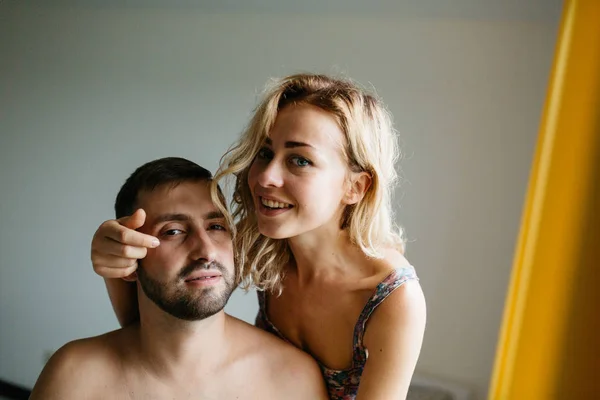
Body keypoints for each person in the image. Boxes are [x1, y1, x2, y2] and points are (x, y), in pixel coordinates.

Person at [91, 74, 427, 399]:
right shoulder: (265, 246)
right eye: (265, 153)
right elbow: (156, 326)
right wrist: (113, 258)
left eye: (299, 160)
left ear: (355, 186)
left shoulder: (392, 299)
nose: (266, 176)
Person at [31, 158, 328, 400]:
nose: (206, 250)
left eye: (216, 226)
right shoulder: (73, 377)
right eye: (173, 231)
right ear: (129, 254)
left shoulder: (292, 378)